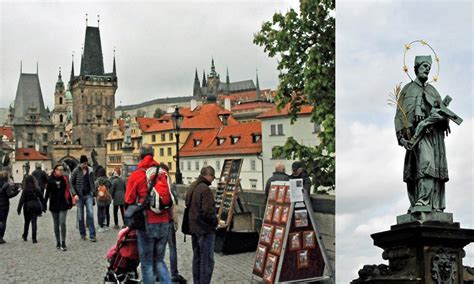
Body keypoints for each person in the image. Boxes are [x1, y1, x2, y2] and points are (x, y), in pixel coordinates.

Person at [395, 55, 451, 213]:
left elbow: (444, 114)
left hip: (433, 136)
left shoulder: (433, 90)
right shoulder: (407, 90)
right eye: (424, 66)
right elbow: (399, 115)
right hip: (416, 136)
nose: (427, 69)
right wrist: (401, 138)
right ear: (416, 68)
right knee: (423, 166)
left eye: (429, 67)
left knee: (431, 167)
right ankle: (420, 201)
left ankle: (431, 203)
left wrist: (440, 119)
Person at [125, 144, 172, 284]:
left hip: (147, 223)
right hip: (164, 221)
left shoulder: (137, 175)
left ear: (140, 156)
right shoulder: (162, 172)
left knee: (147, 264)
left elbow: (128, 199)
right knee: (159, 261)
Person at [186, 166, 218, 284]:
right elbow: (208, 211)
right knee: (207, 260)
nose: (213, 180)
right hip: (204, 230)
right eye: (213, 177)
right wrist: (215, 222)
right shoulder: (205, 189)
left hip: (194, 228)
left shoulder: (192, 186)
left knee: (197, 258)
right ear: (209, 175)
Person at [160, 163, 186, 283]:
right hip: (168, 220)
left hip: (156, 221)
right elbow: (173, 203)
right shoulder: (167, 183)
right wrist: (176, 220)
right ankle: (174, 273)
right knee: (172, 248)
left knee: (158, 248)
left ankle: (157, 272)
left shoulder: (153, 181)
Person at [44, 163, 73, 250]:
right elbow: (47, 192)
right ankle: (58, 242)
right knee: (56, 224)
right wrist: (44, 203)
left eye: (62, 170)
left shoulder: (65, 179)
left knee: (62, 223)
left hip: (63, 203)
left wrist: (70, 202)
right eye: (59, 170)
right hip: (54, 204)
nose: (61, 171)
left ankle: (63, 242)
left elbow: (68, 190)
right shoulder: (50, 179)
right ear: (55, 170)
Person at [70, 155, 97, 242]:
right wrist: (74, 194)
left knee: (90, 214)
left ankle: (92, 235)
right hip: (79, 196)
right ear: (80, 163)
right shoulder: (76, 171)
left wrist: (93, 193)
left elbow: (93, 182)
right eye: (83, 163)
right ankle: (83, 233)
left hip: (88, 194)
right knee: (80, 216)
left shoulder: (90, 171)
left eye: (86, 163)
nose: (85, 165)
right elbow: (71, 183)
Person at [17, 175, 45, 243]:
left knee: (26, 222)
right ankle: (34, 238)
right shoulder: (36, 188)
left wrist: (19, 208)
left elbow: (22, 200)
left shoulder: (25, 189)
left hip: (27, 207)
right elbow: (41, 198)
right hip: (35, 206)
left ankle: (25, 235)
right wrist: (44, 207)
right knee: (34, 221)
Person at [0, 171, 20, 244]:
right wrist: (17, 192)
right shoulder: (6, 184)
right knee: (3, 221)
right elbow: (9, 195)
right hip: (4, 205)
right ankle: (1, 237)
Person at [95, 166, 112, 232]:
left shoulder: (97, 181)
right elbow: (110, 186)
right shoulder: (108, 180)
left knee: (100, 212)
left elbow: (95, 190)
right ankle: (107, 225)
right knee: (107, 212)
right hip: (107, 198)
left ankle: (101, 225)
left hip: (99, 198)